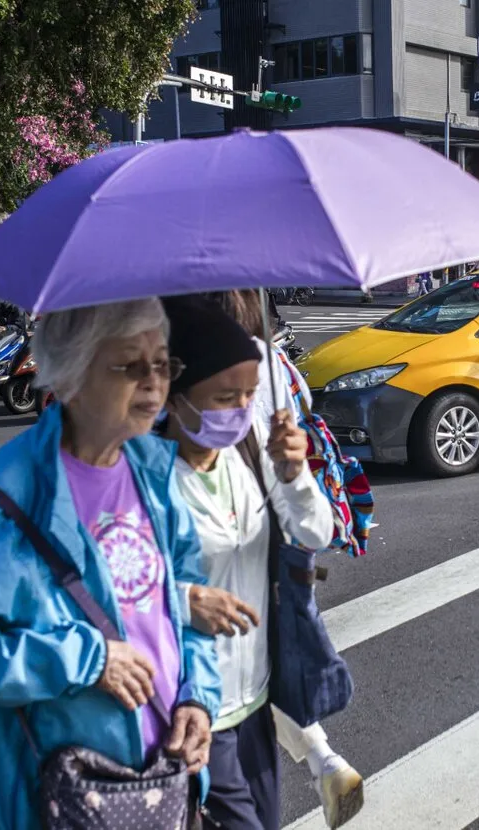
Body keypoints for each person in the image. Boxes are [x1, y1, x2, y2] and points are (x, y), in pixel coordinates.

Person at [0, 297, 220, 830]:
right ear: (71, 374)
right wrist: (85, 660)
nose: (155, 383)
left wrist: (198, 699)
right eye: (129, 365)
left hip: (166, 783)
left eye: (163, 364)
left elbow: (184, 602)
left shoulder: (155, 471)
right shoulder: (3, 501)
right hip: (61, 799)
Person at [189, 290, 363, 828]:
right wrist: (179, 599)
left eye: (251, 393)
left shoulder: (248, 457)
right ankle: (321, 756)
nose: (244, 410)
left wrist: (293, 473)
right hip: (191, 709)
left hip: (252, 699)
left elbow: (314, 529)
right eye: (227, 396)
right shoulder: (148, 475)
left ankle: (320, 756)